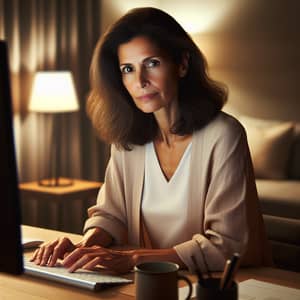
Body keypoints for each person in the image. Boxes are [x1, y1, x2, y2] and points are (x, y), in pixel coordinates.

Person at [31, 7, 271, 274]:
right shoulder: (128, 140)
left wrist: (135, 259)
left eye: (152, 63)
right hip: (145, 283)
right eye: (127, 69)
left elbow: (227, 245)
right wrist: (83, 247)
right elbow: (111, 215)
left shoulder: (224, 135)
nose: (140, 81)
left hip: (218, 284)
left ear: (182, 64)